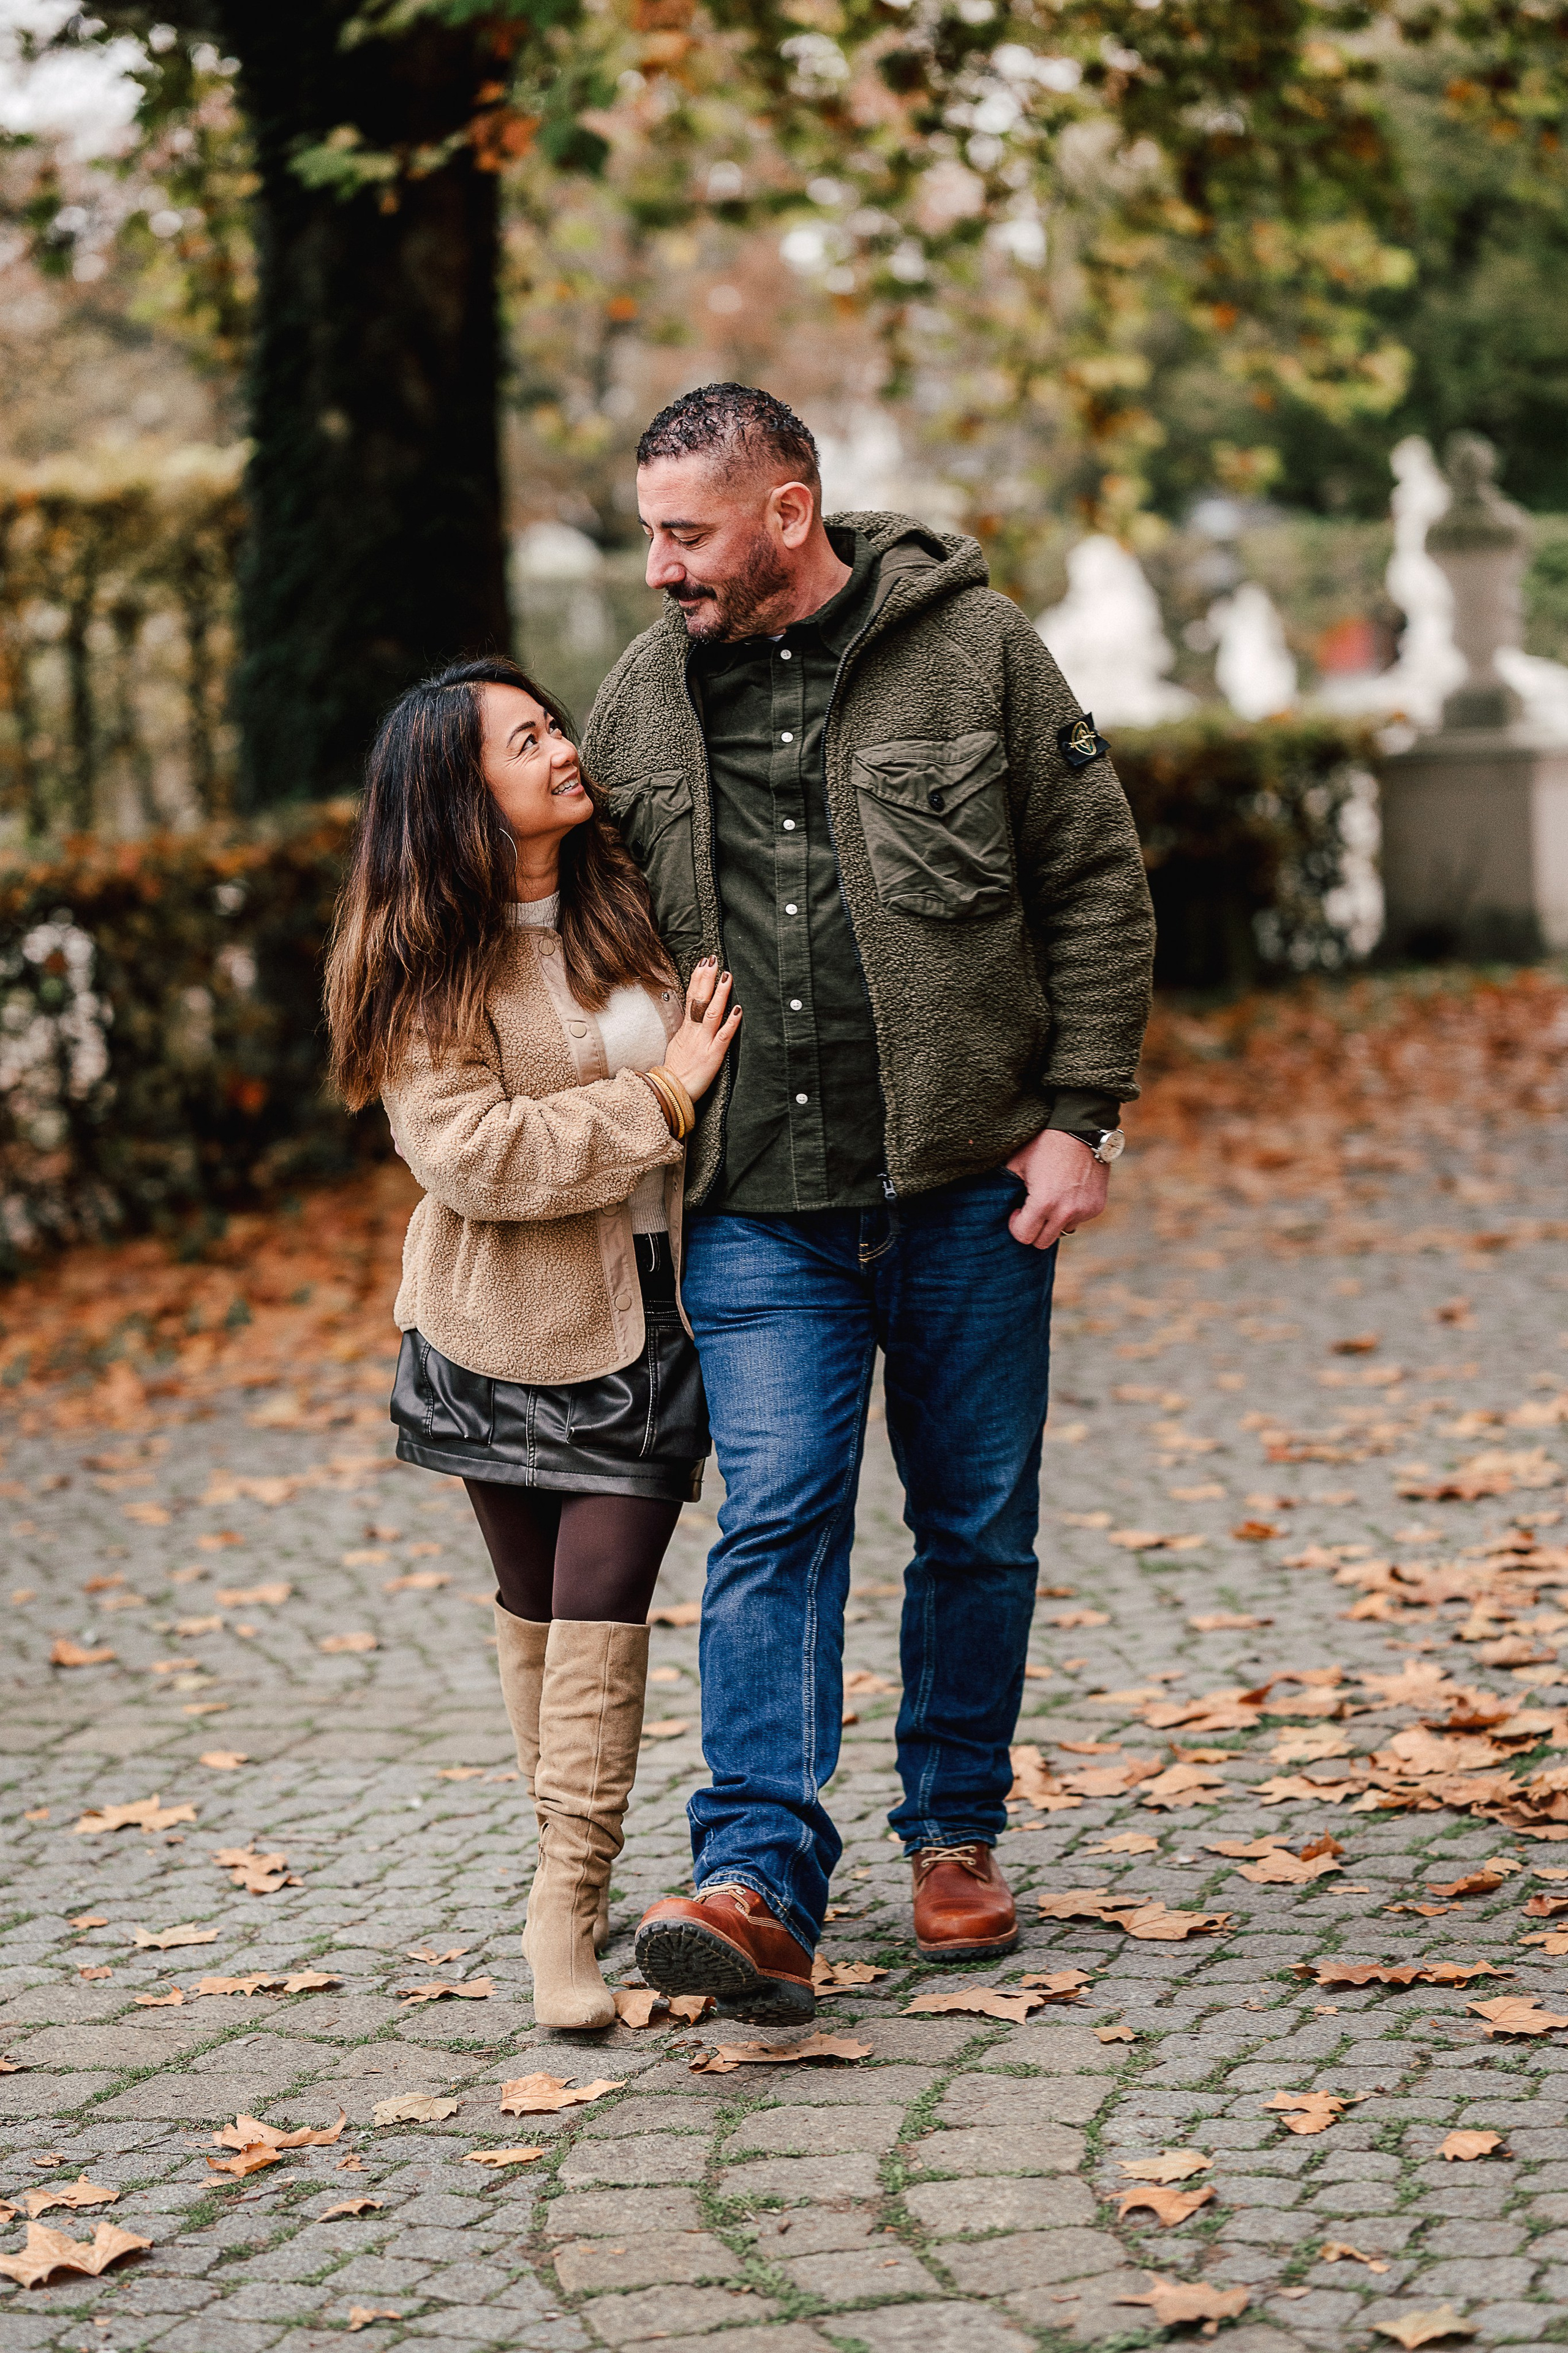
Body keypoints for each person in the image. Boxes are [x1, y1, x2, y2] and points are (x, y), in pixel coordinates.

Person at [579, 384, 1156, 2024]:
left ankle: (955, 1833)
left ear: (785, 511)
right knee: (776, 1515)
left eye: (685, 534)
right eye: (648, 535)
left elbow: (1094, 877)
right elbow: (565, 932)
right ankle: (758, 1876)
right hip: (758, 1203)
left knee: (976, 1523)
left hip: (975, 1186)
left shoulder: (975, 653)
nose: (659, 570)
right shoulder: (641, 701)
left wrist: (1080, 1118)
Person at [323, 654, 741, 2031]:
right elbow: (478, 1156)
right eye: (526, 739)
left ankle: (566, 1897)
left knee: (602, 1601)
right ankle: (564, 1875)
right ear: (461, 793)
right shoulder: (422, 969)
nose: (562, 747)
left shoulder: (628, 897)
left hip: (651, 1323)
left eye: (553, 724)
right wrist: (662, 1098)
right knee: (533, 1613)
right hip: (493, 1327)